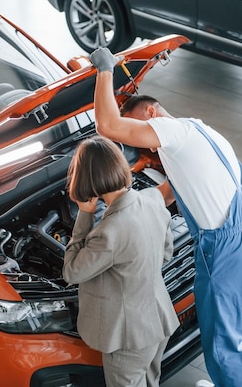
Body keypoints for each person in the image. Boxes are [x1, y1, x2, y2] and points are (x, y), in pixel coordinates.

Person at [89, 47, 242, 387]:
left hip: (225, 250)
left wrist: (104, 70)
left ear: (152, 112)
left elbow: (108, 125)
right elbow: (174, 189)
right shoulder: (200, 131)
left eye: (138, 127)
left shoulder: (170, 132)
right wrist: (128, 206)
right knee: (240, 331)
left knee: (222, 343)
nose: (143, 147)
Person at [62, 136, 179, 387]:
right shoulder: (151, 199)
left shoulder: (109, 232)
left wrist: (85, 215)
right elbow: (165, 253)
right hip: (158, 319)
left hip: (129, 337)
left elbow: (71, 272)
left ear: (86, 178)